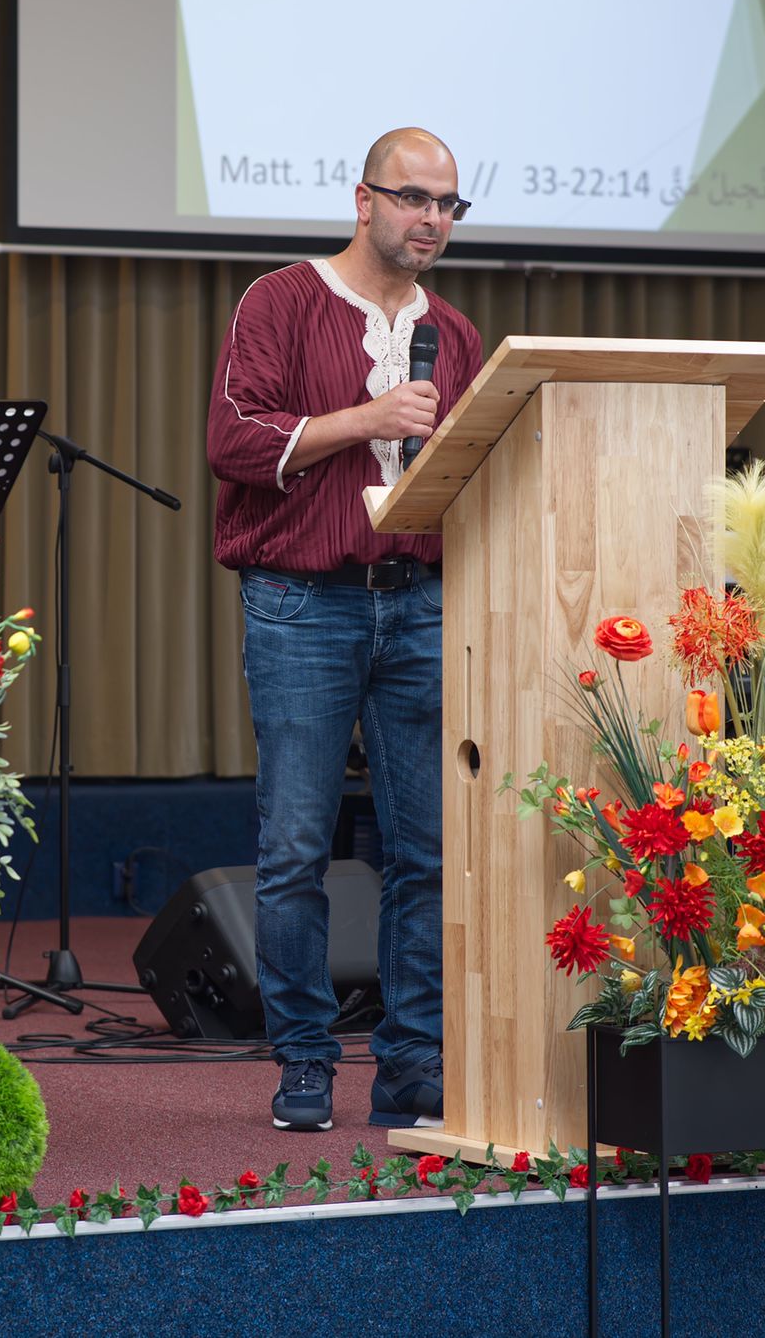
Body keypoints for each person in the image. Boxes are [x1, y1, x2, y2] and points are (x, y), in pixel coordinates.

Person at [205, 127, 483, 1132]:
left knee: (427, 850)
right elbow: (231, 440)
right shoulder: (279, 301)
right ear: (361, 200)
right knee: (290, 850)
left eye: (449, 204)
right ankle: (304, 1063)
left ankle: (411, 1065)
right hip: (301, 603)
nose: (432, 220)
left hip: (418, 603)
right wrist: (361, 420)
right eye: (414, 199)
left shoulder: (453, 335)